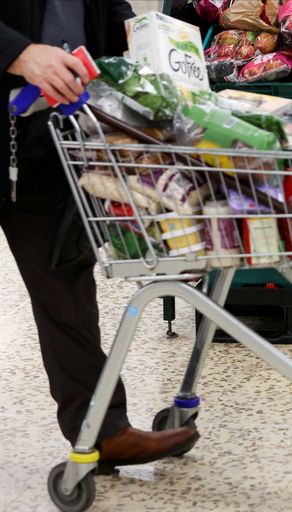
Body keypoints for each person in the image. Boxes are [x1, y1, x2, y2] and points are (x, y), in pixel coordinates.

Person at [0, 0, 198, 470]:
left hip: (44, 136)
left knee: (65, 284)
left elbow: (107, 14)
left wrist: (152, 48)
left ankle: (102, 431)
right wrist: (18, 53)